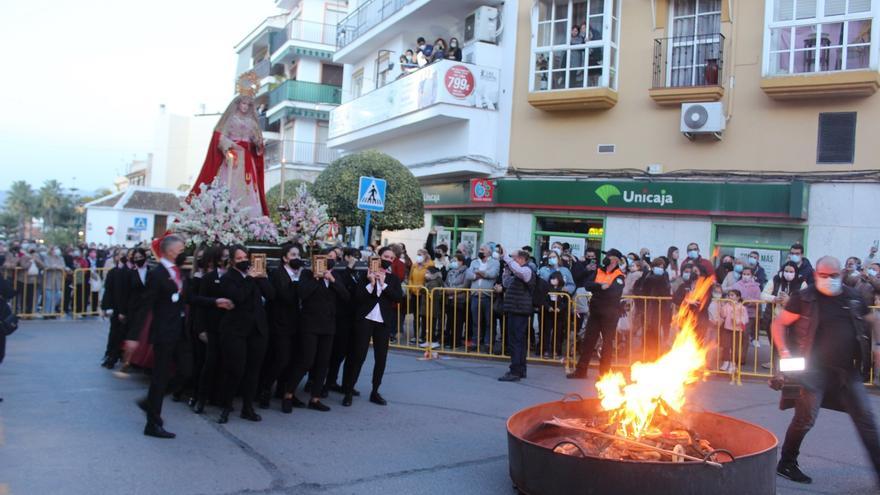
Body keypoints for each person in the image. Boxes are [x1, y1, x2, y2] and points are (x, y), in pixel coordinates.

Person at [772, 256, 880, 485]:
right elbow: (779, 323)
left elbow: (872, 320)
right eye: (824, 275)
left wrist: (877, 346)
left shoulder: (852, 297)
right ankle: (787, 463)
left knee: (867, 419)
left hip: (846, 370)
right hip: (812, 371)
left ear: (841, 274)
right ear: (815, 275)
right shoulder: (804, 298)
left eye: (834, 275)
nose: (829, 279)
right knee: (805, 419)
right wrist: (784, 353)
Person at [136, 235, 231, 438]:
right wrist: (133, 336)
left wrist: (215, 302)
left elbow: (190, 298)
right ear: (170, 251)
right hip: (164, 332)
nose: (184, 253)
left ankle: (151, 401)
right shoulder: (157, 274)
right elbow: (144, 306)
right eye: (181, 250)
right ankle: (153, 423)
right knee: (160, 377)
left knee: (186, 371)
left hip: (180, 331)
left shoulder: (179, 273)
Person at [189, 77, 268, 218]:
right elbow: (220, 138)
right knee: (229, 185)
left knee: (249, 187)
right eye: (243, 103)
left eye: (248, 105)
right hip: (234, 159)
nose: (245, 107)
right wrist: (231, 147)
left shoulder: (253, 123)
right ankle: (226, 214)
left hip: (248, 159)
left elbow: (257, 142)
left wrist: (258, 143)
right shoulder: (230, 119)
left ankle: (249, 216)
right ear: (238, 104)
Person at [283, 251, 349, 413]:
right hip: (310, 324)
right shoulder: (307, 274)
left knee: (323, 362)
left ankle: (315, 398)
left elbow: (345, 297)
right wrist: (316, 277)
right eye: (327, 258)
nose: (330, 261)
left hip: (328, 325)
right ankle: (288, 394)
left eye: (333, 259)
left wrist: (332, 280)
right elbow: (302, 294)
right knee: (306, 360)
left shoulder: (335, 276)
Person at [216, 245, 273, 424]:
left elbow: (271, 294)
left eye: (244, 258)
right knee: (236, 370)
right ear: (232, 261)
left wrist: (262, 277)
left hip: (257, 330)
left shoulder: (255, 275)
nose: (243, 261)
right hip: (236, 331)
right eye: (239, 259)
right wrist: (249, 278)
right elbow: (238, 297)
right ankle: (226, 406)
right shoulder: (228, 278)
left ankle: (247, 408)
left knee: (253, 371)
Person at [342, 246, 404, 407]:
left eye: (391, 258)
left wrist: (383, 285)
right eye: (386, 256)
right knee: (358, 356)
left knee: (381, 357)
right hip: (365, 319)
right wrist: (371, 283)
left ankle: (375, 391)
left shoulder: (394, 279)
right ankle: (348, 391)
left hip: (383, 321)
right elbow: (357, 297)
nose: (388, 260)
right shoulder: (365, 274)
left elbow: (398, 298)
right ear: (379, 256)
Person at [567, 249, 626, 379]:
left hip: (610, 313)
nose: (605, 258)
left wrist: (599, 288)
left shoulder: (619, 275)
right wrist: (600, 286)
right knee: (588, 341)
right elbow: (587, 285)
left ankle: (604, 375)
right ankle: (580, 371)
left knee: (607, 344)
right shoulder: (598, 270)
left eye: (608, 256)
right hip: (595, 311)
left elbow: (614, 293)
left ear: (615, 259)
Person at [193, 245, 230, 414]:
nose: (227, 260)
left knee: (226, 365)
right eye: (224, 257)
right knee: (210, 363)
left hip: (230, 329)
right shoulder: (209, 278)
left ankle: (220, 398)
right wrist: (201, 329)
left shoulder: (235, 278)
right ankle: (201, 398)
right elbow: (200, 303)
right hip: (213, 327)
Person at [324, 247, 362, 397]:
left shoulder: (359, 272)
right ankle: (326, 383)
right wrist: (348, 269)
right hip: (341, 317)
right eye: (352, 257)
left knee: (349, 353)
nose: (355, 260)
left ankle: (345, 384)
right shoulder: (339, 271)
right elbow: (343, 289)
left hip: (354, 317)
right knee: (336, 353)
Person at [498, 249, 536, 382]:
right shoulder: (517, 273)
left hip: (520, 310)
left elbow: (520, 272)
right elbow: (506, 283)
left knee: (516, 341)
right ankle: (520, 369)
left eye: (513, 258)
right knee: (517, 341)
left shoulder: (527, 270)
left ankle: (515, 371)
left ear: (521, 259)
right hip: (515, 309)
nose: (511, 260)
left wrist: (507, 259)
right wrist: (507, 270)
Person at [635, 258, 672, 361]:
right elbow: (642, 287)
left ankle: (656, 355)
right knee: (647, 331)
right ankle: (647, 354)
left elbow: (666, 289)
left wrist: (659, 277)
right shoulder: (647, 275)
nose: (660, 268)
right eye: (658, 266)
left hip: (659, 308)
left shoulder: (664, 276)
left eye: (662, 266)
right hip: (648, 307)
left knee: (656, 332)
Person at [466, 244, 500, 352]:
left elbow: (493, 274)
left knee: (489, 321)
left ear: (489, 252)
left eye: (483, 250)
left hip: (488, 296)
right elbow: (469, 275)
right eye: (480, 249)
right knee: (476, 321)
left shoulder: (495, 262)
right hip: (475, 295)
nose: (480, 251)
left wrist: (480, 273)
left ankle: (488, 343)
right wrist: (480, 275)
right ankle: (476, 342)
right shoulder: (474, 262)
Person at [100, 250, 131, 369]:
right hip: (118, 309)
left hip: (129, 308)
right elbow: (109, 291)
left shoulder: (130, 271)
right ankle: (111, 356)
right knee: (115, 333)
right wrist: (105, 308)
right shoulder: (113, 272)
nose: (123, 257)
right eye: (120, 255)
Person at [443, 253, 470, 348]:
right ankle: (448, 340)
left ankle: (456, 341)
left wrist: (453, 291)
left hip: (459, 299)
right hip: (449, 299)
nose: (453, 262)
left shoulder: (466, 271)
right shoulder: (451, 271)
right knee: (449, 321)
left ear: (461, 261)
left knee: (458, 322)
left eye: (455, 260)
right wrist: (446, 289)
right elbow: (445, 282)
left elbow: (465, 285)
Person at [718, 289, 749, 373]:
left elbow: (745, 319)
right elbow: (723, 315)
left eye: (732, 295)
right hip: (727, 329)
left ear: (738, 297)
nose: (730, 297)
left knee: (736, 347)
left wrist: (738, 320)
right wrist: (722, 307)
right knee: (726, 346)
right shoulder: (727, 305)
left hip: (737, 330)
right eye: (729, 295)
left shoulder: (741, 307)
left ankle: (733, 363)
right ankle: (726, 362)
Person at [43, 247, 66, 316]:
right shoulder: (47, 258)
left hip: (57, 280)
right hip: (49, 279)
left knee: (55, 297)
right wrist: (53, 267)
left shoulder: (60, 258)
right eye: (54, 250)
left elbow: (63, 266)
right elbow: (46, 266)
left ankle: (52, 312)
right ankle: (46, 313)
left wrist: (58, 267)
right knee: (48, 297)